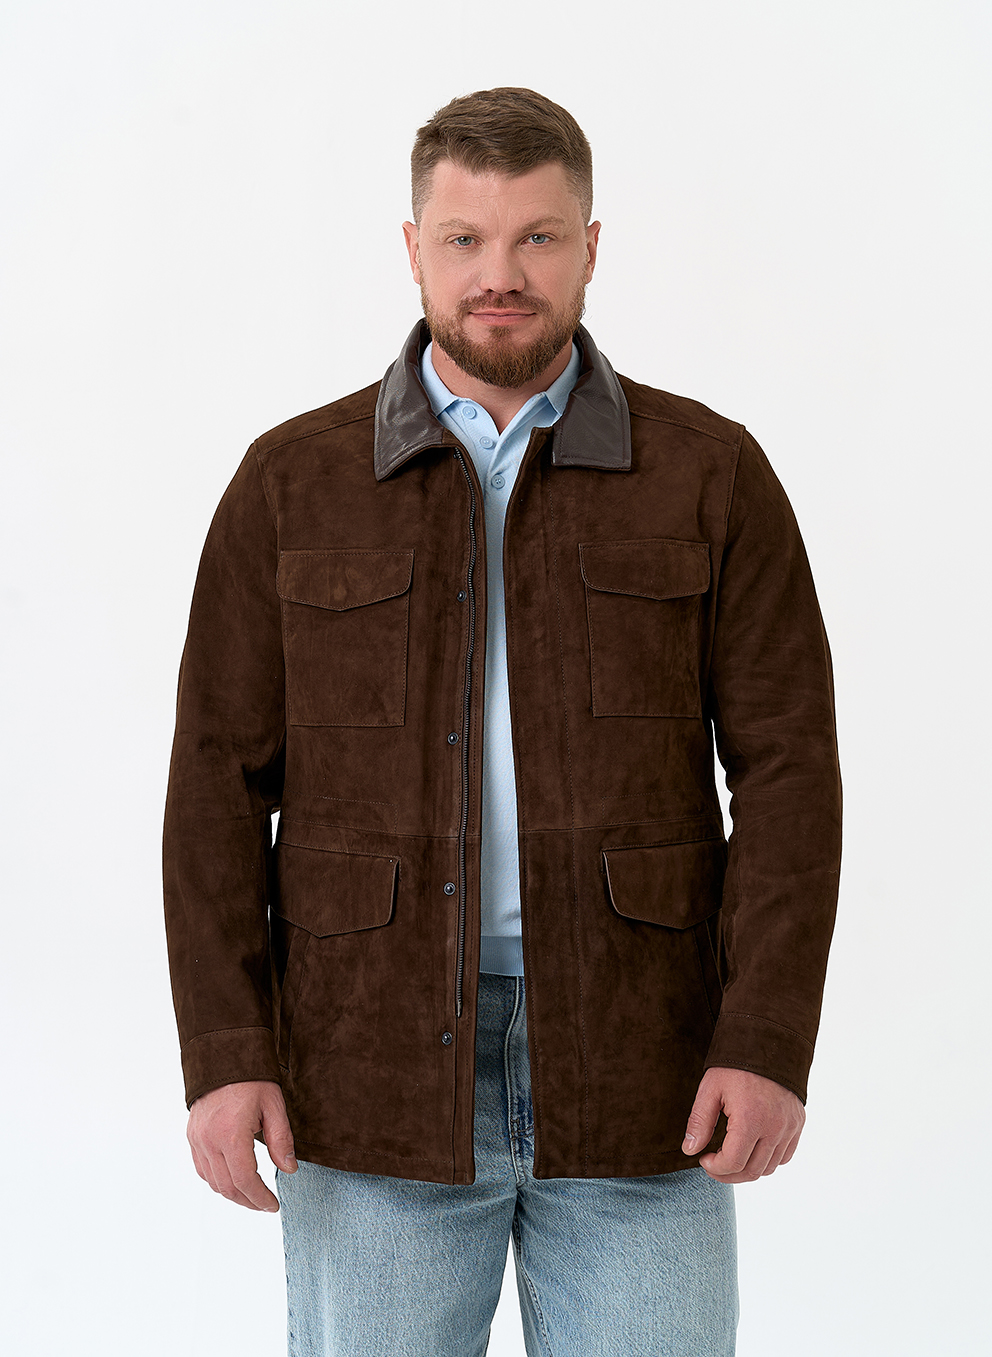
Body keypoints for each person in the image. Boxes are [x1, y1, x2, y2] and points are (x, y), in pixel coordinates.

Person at [163, 87, 842, 1356]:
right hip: (363, 1069)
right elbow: (214, 781)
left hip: (646, 1067)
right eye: (464, 238)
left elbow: (789, 770)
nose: (500, 275)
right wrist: (224, 1048)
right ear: (412, 249)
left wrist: (764, 1039)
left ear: (590, 247)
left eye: (537, 236)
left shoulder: (709, 472)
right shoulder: (292, 481)